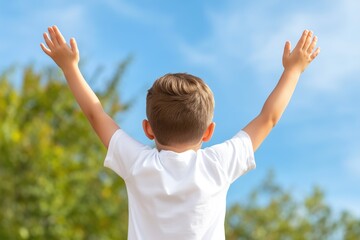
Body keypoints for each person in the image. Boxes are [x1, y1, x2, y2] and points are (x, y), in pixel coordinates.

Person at [40, 26, 320, 240]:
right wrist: (293, 70)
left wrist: (69, 67)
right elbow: (268, 119)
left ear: (148, 129)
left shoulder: (137, 164)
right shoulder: (217, 166)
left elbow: (95, 114)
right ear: (208, 131)